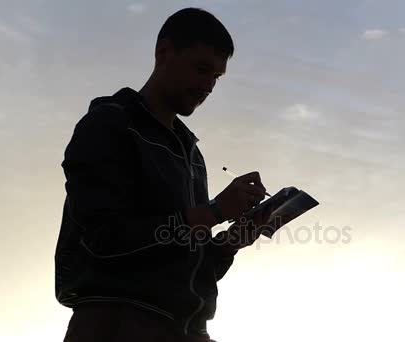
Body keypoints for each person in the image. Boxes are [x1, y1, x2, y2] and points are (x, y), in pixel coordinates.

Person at [55, 7, 272, 342]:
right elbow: (103, 240)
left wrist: (232, 240)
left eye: (216, 77)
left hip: (186, 330)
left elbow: (187, 267)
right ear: (164, 52)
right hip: (116, 325)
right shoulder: (111, 125)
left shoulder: (191, 154)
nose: (208, 85)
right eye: (201, 69)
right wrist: (213, 212)